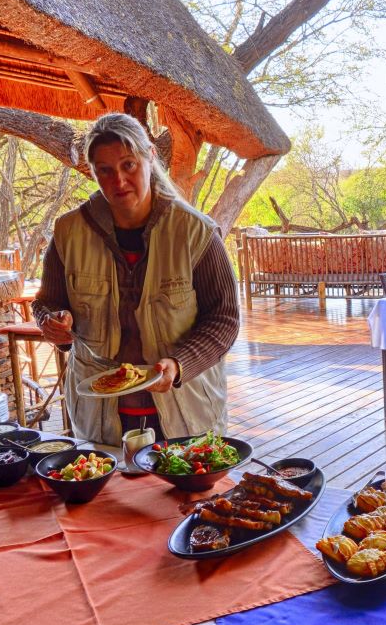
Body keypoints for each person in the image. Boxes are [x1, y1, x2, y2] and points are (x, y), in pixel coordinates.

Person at [33, 113, 240, 444]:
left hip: (185, 412)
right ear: (92, 172)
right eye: (105, 170)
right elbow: (47, 302)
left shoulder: (194, 232)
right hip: (99, 414)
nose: (118, 180)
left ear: (150, 158)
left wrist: (178, 364)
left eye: (128, 165)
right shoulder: (69, 233)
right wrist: (52, 321)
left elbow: (225, 319)